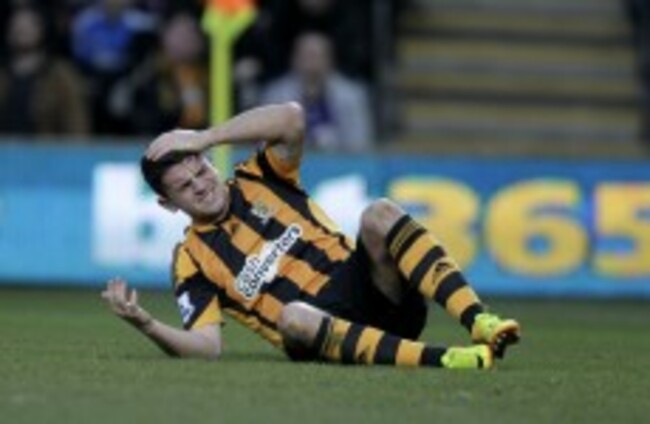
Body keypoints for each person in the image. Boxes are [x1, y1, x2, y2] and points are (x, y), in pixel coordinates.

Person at [101, 103, 521, 369]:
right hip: (315, 330)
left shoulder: (259, 176)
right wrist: (146, 324)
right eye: (184, 186)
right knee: (293, 317)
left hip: (375, 294)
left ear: (211, 162)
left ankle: (479, 321)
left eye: (201, 169)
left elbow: (292, 118)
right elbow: (207, 346)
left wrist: (204, 136)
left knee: (378, 213)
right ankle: (447, 360)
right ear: (168, 204)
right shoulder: (190, 259)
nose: (200, 185)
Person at [261, 33, 373, 152]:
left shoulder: (351, 96)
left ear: (330, 61)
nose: (312, 65)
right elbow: (266, 145)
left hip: (338, 159)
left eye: (318, 57)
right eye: (306, 57)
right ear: (294, 60)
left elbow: (360, 145)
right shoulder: (275, 95)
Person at [0, 5, 90, 136]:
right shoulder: (3, 73)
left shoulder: (61, 75)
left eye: (29, 25)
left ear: (42, 30)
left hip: (47, 146)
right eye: (17, 26)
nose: (22, 30)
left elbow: (76, 121)